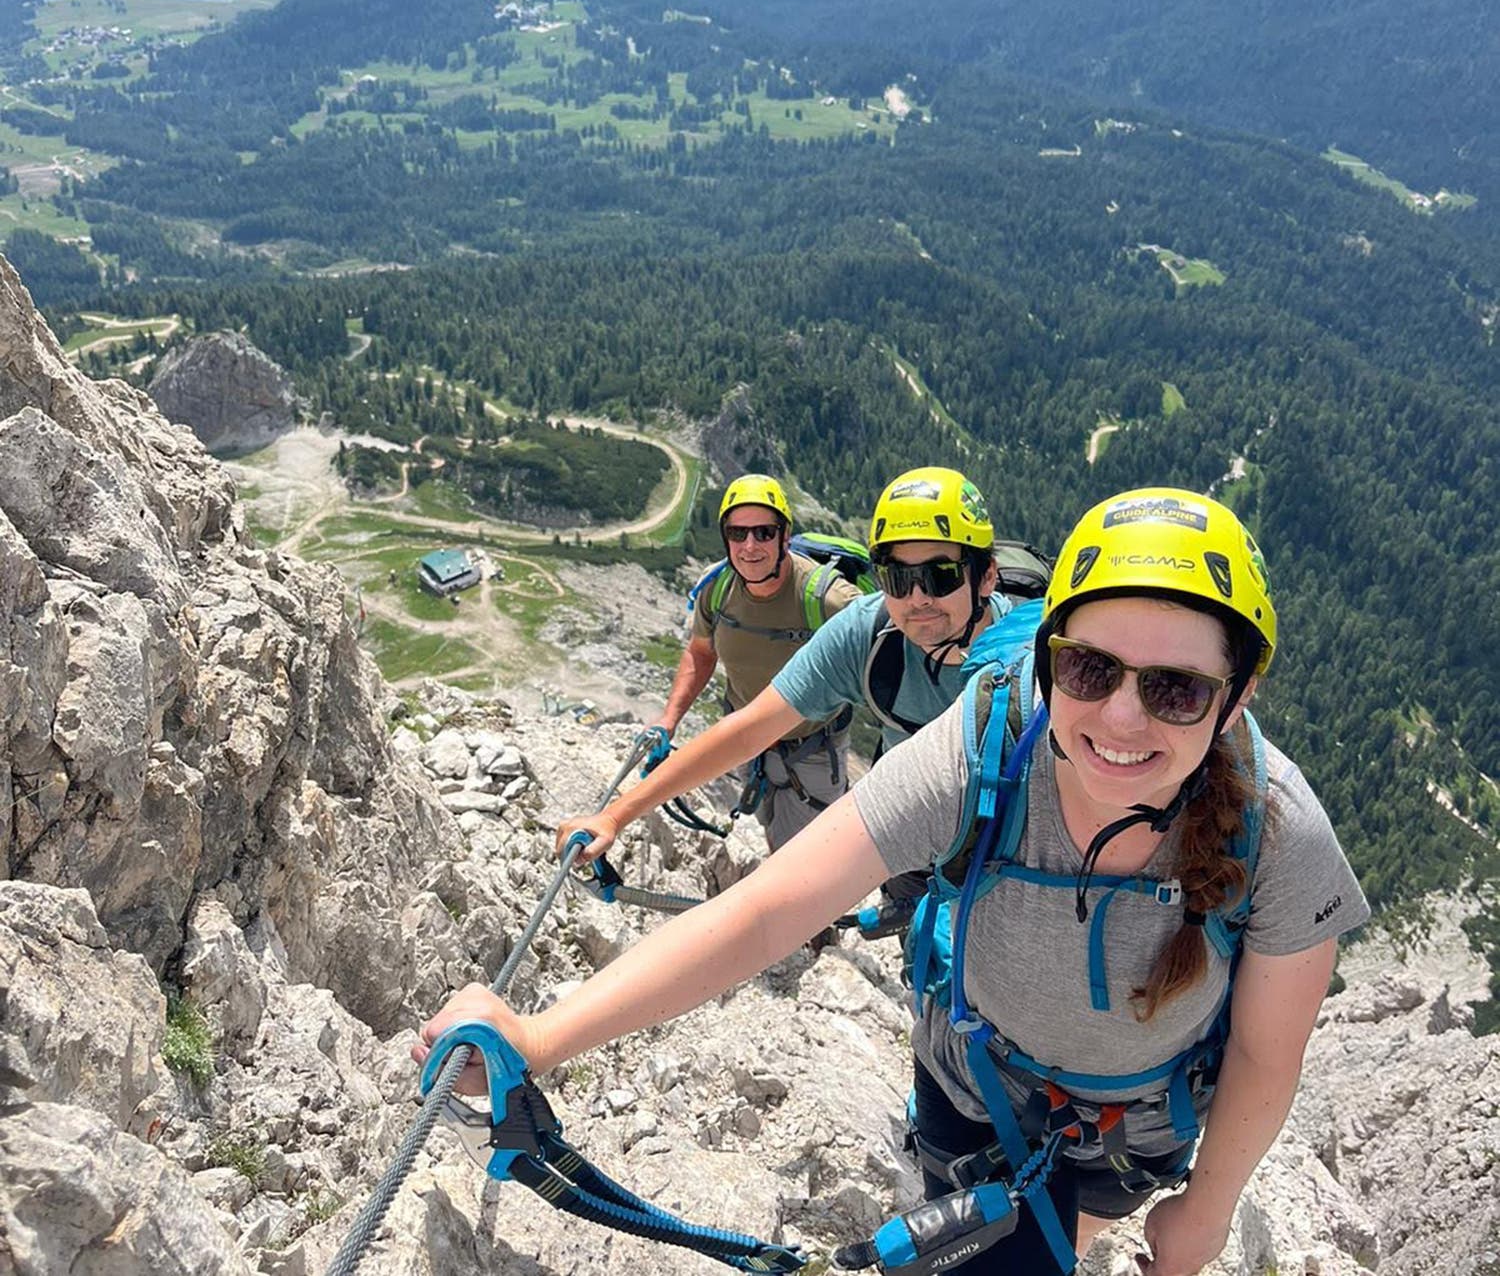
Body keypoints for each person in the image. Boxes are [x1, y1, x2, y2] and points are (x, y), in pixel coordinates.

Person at [419, 487, 1370, 1274]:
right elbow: (766, 911)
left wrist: (1206, 1213)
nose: (1122, 719)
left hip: (1132, 1130)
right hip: (974, 1088)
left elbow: (1264, 1057)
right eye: (1089, 668)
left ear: (1236, 694)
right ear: (1051, 659)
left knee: (1052, 1240)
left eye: (1175, 688)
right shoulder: (988, 742)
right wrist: (537, 1038)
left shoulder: (1279, 833)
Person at [556, 466, 1020, 866]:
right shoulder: (867, 632)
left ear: (986, 575)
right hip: (915, 821)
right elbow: (747, 730)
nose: (917, 598)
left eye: (940, 576)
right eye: (898, 578)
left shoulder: (1032, 655)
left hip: (1013, 836)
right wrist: (616, 814)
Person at [648, 472, 863, 852]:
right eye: (737, 533)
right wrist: (668, 721)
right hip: (747, 745)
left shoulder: (827, 600)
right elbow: (701, 653)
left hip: (812, 747)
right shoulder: (716, 590)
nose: (749, 546)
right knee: (773, 831)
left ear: (784, 535)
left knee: (810, 856)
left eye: (764, 533)